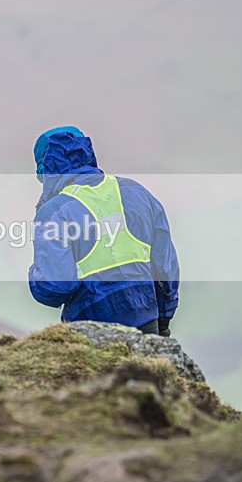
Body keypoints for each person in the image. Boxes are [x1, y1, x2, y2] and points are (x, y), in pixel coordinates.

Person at [28, 126, 179, 336]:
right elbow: (164, 268)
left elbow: (55, 287)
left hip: (89, 328)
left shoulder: (54, 212)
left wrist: (35, 274)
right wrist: (162, 320)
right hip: (145, 317)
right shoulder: (137, 193)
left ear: (45, 171)